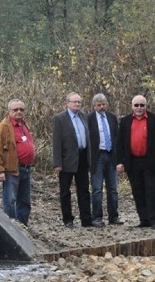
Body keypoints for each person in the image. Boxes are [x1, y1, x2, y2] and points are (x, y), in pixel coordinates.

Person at [116, 95, 155, 229]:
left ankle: (154, 220)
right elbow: (119, 143)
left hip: (150, 161)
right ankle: (143, 219)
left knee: (151, 190)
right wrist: (119, 162)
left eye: (142, 105)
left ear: (146, 106)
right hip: (132, 162)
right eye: (136, 105)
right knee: (137, 191)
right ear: (132, 106)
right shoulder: (125, 121)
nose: (139, 108)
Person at [0, 98, 34, 225]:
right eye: (15, 110)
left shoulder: (23, 124)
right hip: (11, 169)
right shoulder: (3, 127)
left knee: (25, 202)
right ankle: (11, 228)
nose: (19, 112)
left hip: (26, 168)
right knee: (10, 201)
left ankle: (23, 227)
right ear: (9, 111)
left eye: (21, 109)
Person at [52, 92, 92, 228]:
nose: (77, 104)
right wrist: (57, 163)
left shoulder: (84, 116)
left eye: (79, 102)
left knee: (84, 190)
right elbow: (56, 142)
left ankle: (86, 219)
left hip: (82, 158)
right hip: (66, 160)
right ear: (67, 103)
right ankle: (68, 219)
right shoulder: (60, 118)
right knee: (65, 192)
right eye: (74, 102)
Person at [86, 93, 121, 226]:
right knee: (97, 189)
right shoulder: (89, 118)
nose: (101, 107)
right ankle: (97, 218)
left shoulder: (112, 117)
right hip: (97, 157)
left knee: (113, 189)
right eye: (99, 105)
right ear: (94, 106)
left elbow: (117, 137)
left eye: (103, 104)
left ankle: (114, 217)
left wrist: (119, 159)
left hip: (111, 156)